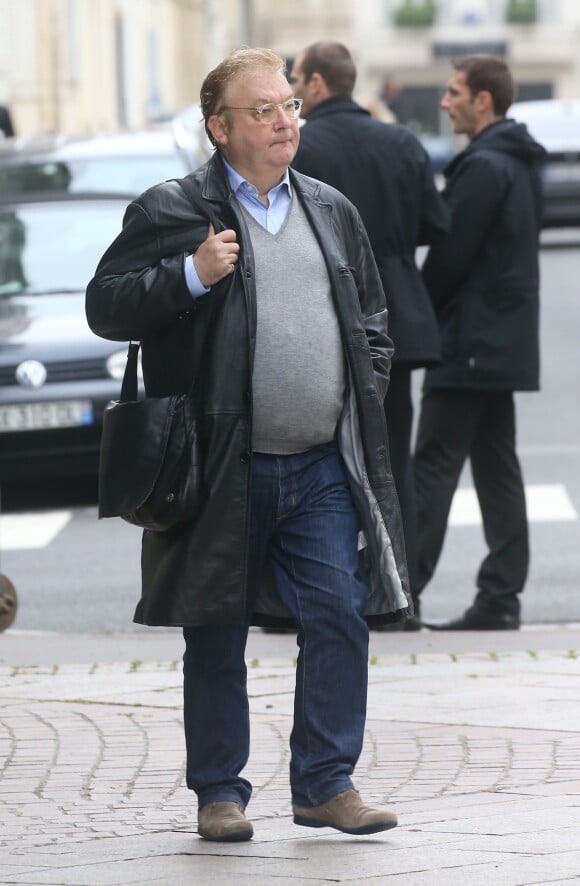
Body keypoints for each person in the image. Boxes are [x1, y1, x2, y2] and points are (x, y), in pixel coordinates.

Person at [86, 48, 411, 843]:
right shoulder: (174, 209)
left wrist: (360, 381)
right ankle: (219, 793)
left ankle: (326, 782)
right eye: (262, 110)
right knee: (215, 626)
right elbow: (106, 305)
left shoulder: (331, 208)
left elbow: (371, 315)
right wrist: (191, 276)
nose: (283, 122)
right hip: (220, 463)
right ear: (219, 128)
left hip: (319, 464)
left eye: (290, 107)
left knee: (340, 613)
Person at [290, 41, 449, 629]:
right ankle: (399, 600)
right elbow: (437, 222)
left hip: (327, 316)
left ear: (316, 84)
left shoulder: (305, 145)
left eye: (297, 80)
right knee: (392, 462)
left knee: (320, 459)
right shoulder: (400, 141)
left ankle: (314, 600)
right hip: (399, 317)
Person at [414, 54, 546, 631]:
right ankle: (500, 598)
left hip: (468, 340)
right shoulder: (516, 163)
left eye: (454, 93)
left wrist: (415, 312)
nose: (445, 103)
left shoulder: (485, 167)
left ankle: (398, 593)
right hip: (499, 341)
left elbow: (449, 258)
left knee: (432, 469)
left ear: (483, 100)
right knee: (496, 469)